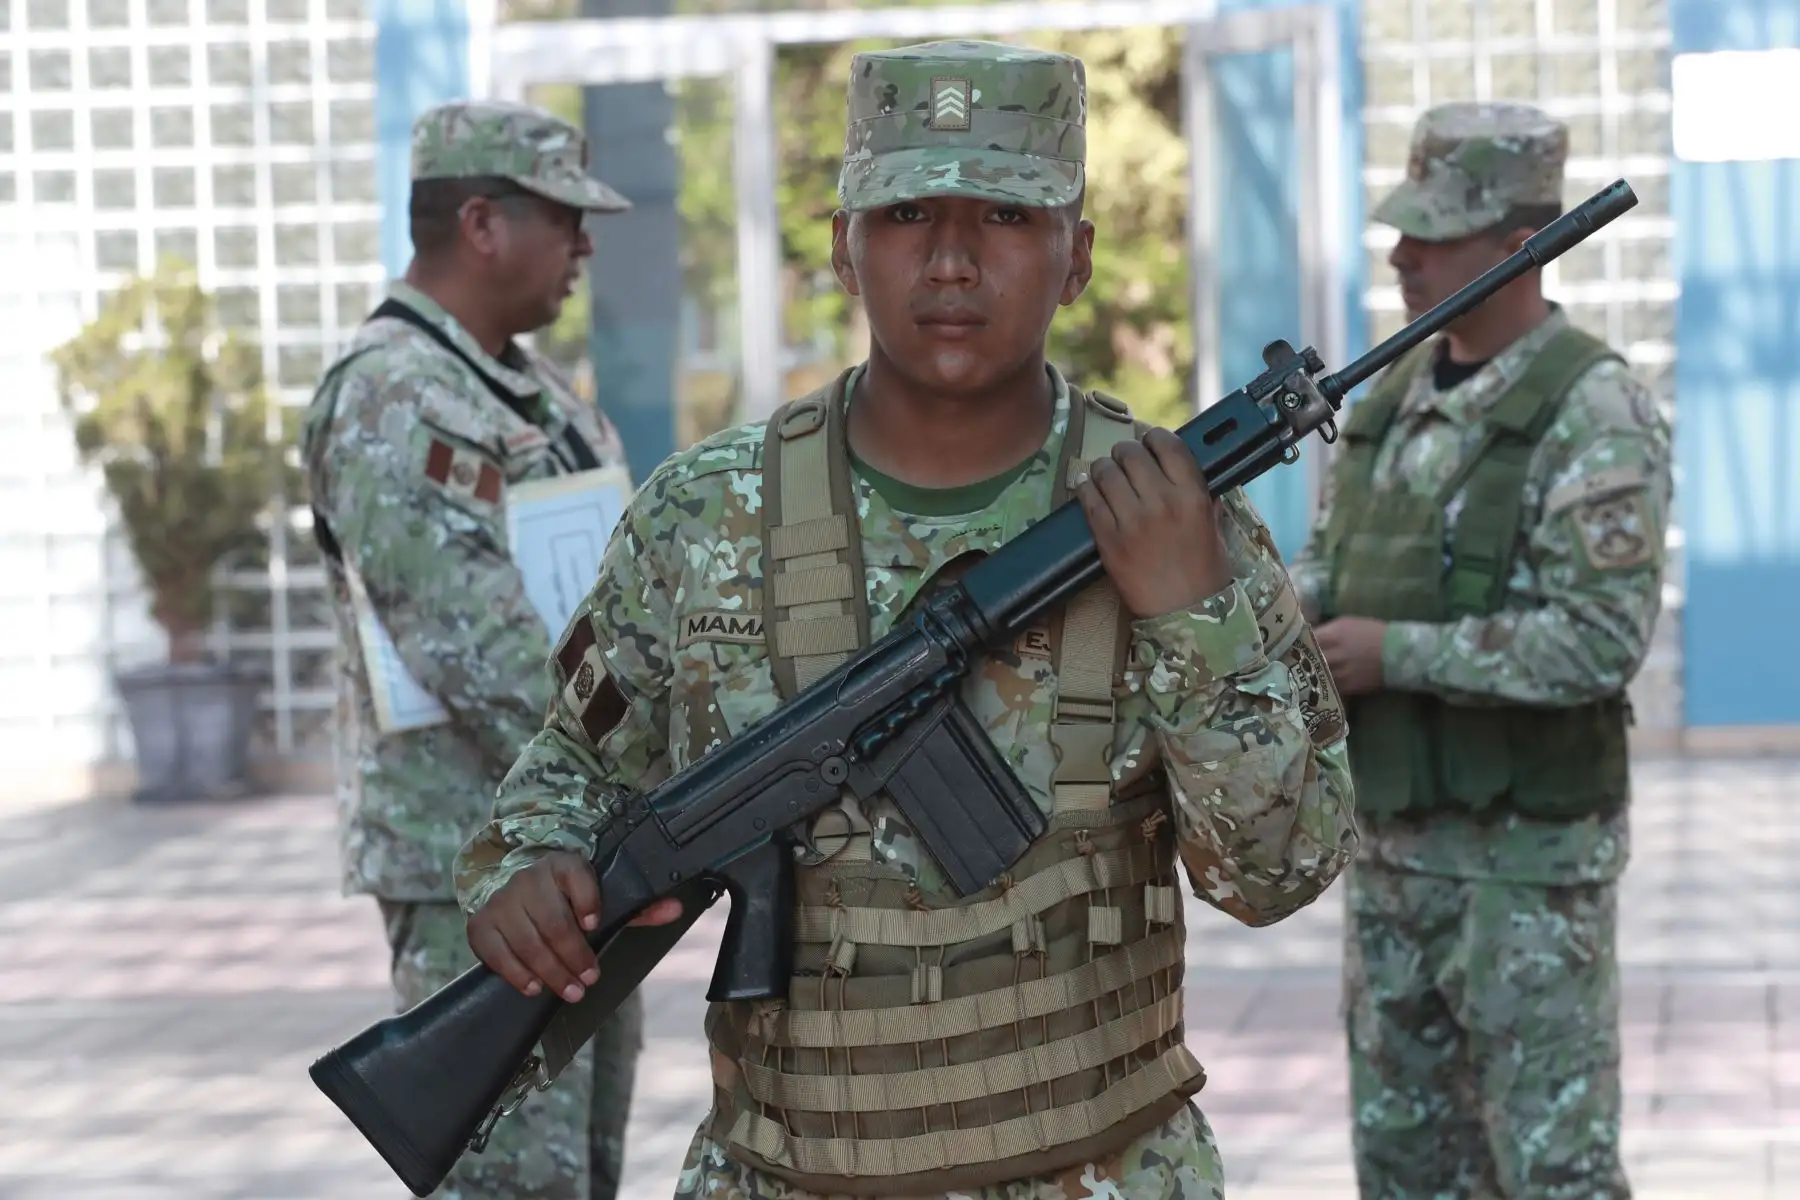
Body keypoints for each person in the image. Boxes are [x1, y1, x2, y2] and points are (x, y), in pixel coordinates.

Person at [453, 40, 1359, 1200]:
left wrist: (1197, 614)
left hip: (1100, 1170)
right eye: (907, 213)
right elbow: (565, 775)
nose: (951, 261)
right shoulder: (702, 517)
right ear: (843, 246)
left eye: (1006, 218)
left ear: (1076, 257)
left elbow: (1278, 874)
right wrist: (527, 872)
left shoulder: (1174, 520)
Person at [1289, 100, 1672, 1199]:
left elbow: (1601, 642)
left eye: (1436, 233)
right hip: (1394, 860)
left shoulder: (1591, 408)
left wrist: (1395, 654)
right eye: (1402, 229)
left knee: (1552, 1170)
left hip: (1528, 878)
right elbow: (1332, 565)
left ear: (1524, 246)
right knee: (1407, 1170)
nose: (1404, 255)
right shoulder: (1386, 399)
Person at [301, 98, 645, 1200]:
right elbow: (476, 644)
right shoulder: (391, 395)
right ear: (484, 223)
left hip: (585, 851)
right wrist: (650, 766)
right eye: (565, 218)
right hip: (476, 866)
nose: (585, 244)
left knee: (577, 1171)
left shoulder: (536, 394)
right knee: (509, 1178)